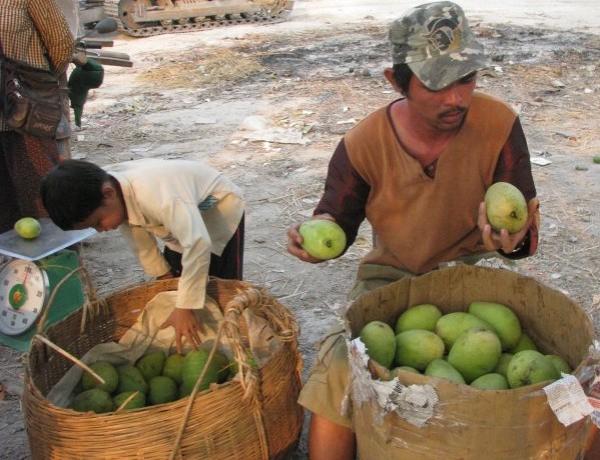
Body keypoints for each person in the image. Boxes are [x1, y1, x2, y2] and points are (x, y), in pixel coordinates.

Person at [286, 2, 541, 459]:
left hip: (470, 275)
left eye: (466, 78)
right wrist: (317, 236)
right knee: (342, 372)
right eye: (437, 83)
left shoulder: (499, 125)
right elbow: (335, 218)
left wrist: (511, 243)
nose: (457, 99)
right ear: (394, 80)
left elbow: (519, 219)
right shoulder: (363, 143)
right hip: (392, 276)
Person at [41, 158, 245, 352]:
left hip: (217, 211)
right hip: (179, 224)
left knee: (221, 284)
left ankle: (232, 334)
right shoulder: (113, 195)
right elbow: (138, 237)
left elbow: (198, 243)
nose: (101, 230)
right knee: (179, 277)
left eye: (98, 222)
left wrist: (184, 307)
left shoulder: (158, 196)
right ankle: (198, 326)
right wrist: (163, 275)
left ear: (108, 194)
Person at [0, 0, 74, 233]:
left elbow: (61, 43)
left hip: (29, 112)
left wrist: (38, 85)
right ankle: (14, 265)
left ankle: (59, 258)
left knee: (42, 188)